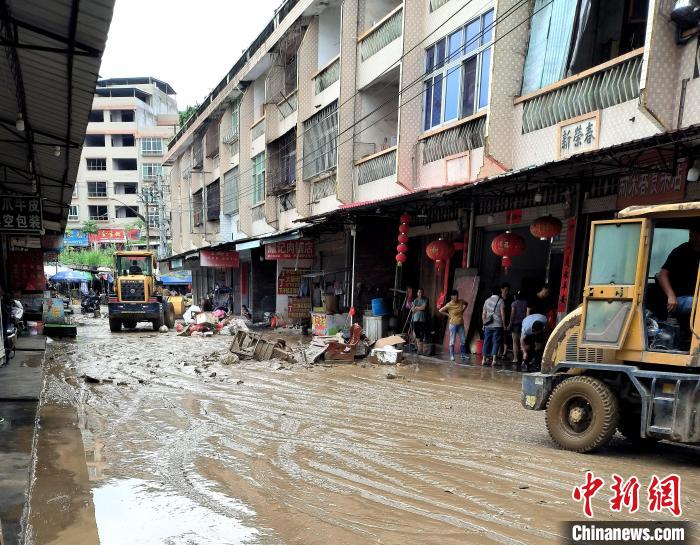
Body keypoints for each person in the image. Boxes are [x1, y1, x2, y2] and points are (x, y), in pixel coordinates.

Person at [657, 226, 700, 316]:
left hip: (697, 298)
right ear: (694, 235)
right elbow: (662, 275)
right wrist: (671, 296)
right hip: (679, 299)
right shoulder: (681, 251)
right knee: (696, 302)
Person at [439, 289, 468, 362]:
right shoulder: (449, 304)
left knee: (463, 340)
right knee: (452, 340)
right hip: (453, 325)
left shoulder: (461, 301)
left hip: (461, 324)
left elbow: (466, 303)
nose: (456, 297)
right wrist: (449, 315)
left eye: (457, 295)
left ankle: (463, 355)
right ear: (451, 297)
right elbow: (440, 310)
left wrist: (463, 310)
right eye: (454, 296)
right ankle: (452, 355)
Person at [481, 286, 506, 366]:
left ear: (491, 293)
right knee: (496, 342)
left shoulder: (487, 300)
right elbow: (503, 314)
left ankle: (483, 360)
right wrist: (504, 324)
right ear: (499, 292)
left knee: (486, 341)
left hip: (488, 325)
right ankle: (494, 360)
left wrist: (483, 324)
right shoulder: (501, 301)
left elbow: (483, 314)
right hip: (497, 325)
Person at [508, 290, 528, 364]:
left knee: (515, 342)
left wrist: (510, 323)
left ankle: (515, 358)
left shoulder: (514, 303)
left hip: (515, 324)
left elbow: (512, 315)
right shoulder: (526, 303)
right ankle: (524, 357)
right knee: (523, 342)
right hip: (524, 324)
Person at [410, 288, 429, 352]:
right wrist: (418, 308)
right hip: (415, 319)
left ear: (423, 293)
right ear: (417, 293)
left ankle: (420, 348)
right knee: (416, 332)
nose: (420, 294)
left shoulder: (426, 299)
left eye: (421, 292)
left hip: (422, 319)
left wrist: (416, 307)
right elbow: (412, 310)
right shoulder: (415, 300)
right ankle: (418, 348)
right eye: (419, 292)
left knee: (422, 333)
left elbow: (424, 307)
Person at [498, 282, 513, 359]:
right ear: (501, 289)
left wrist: (510, 322)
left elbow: (512, 310)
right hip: (498, 319)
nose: (507, 291)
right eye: (505, 289)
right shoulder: (498, 298)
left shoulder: (510, 298)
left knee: (505, 337)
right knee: (498, 336)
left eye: (508, 290)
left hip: (507, 319)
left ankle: (504, 353)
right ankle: (498, 352)